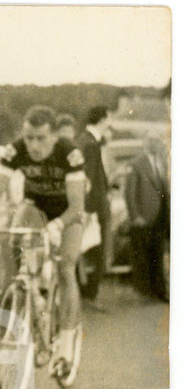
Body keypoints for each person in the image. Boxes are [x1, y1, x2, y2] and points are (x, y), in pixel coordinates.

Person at [0, 105, 86, 372]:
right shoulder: (15, 150)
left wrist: (59, 224)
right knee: (14, 239)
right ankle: (29, 293)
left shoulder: (69, 153)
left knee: (65, 267)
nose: (34, 145)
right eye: (29, 137)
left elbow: (77, 207)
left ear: (54, 136)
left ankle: (65, 345)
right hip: (36, 206)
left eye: (41, 138)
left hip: (67, 213)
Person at [124, 129, 170, 298]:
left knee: (157, 253)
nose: (156, 144)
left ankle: (158, 290)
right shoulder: (137, 164)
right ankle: (144, 291)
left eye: (158, 141)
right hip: (144, 217)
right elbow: (129, 193)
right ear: (146, 143)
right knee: (142, 256)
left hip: (160, 216)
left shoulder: (162, 163)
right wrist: (136, 216)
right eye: (152, 141)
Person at [76, 106, 113, 277]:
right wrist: (88, 209)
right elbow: (88, 179)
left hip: (93, 203)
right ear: (102, 120)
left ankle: (88, 287)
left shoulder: (84, 139)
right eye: (108, 118)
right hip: (95, 205)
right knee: (97, 248)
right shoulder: (91, 144)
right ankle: (90, 290)